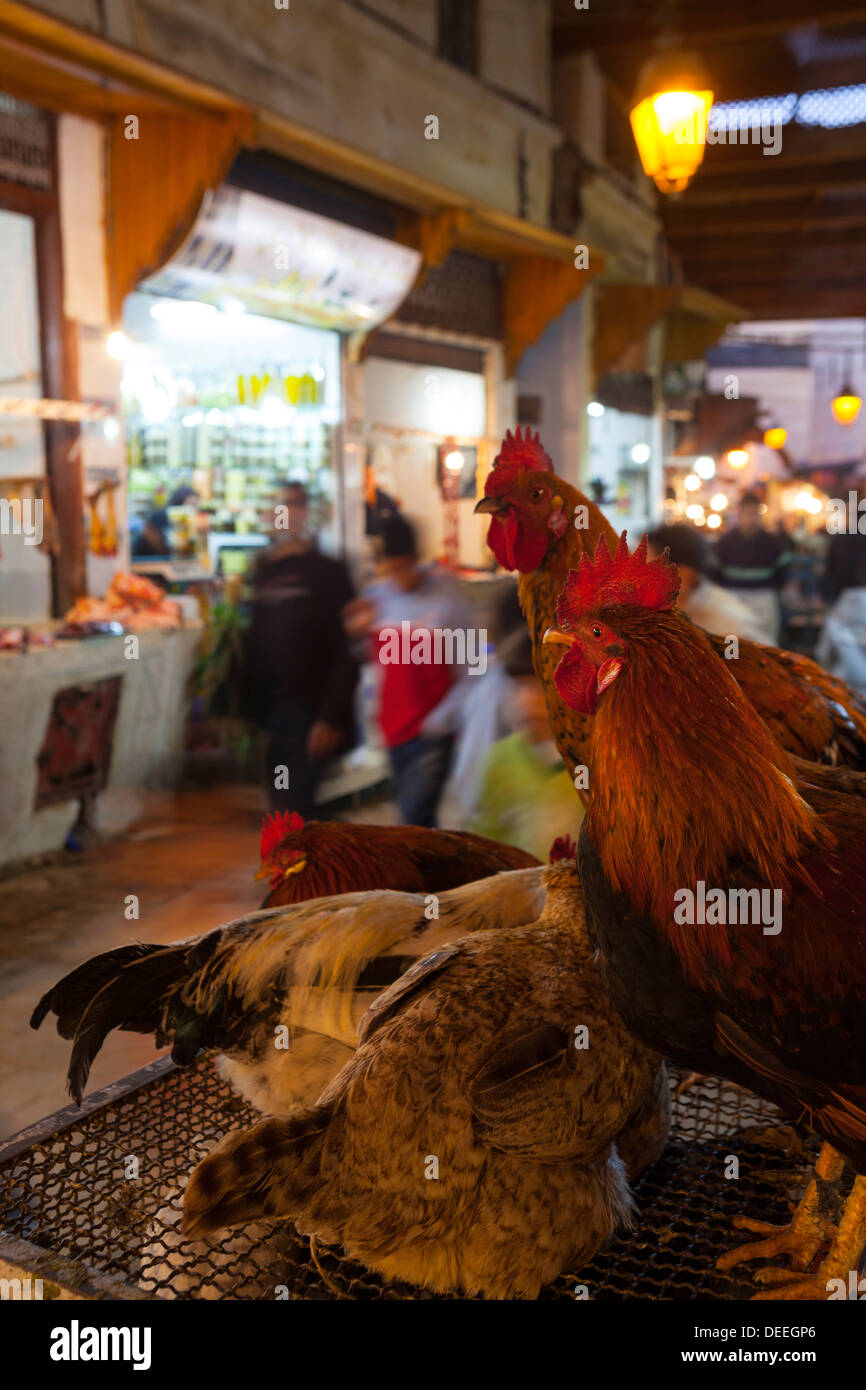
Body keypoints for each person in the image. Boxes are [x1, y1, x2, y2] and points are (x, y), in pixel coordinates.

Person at [344, 515, 471, 827]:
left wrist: (446, 717)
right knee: (417, 821)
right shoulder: (377, 598)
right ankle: (435, 874)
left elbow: (473, 665)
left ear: (417, 559)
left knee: (413, 819)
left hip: (433, 729)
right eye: (392, 569)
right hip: (393, 728)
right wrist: (355, 633)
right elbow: (362, 658)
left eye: (405, 566)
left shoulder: (449, 596)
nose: (399, 577)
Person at [245, 480, 358, 818]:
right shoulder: (264, 570)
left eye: (291, 505)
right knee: (282, 805)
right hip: (273, 715)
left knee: (297, 809)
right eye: (275, 506)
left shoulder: (329, 572)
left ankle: (310, 869)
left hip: (310, 715)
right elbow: (256, 639)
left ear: (304, 512)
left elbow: (348, 648)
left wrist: (331, 717)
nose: (282, 514)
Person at [469, 628, 579, 862]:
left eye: (540, 686)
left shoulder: (597, 761)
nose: (526, 701)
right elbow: (483, 845)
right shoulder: (500, 761)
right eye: (518, 686)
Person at [647, 523, 773, 644]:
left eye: (648, 571)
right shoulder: (671, 613)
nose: (638, 583)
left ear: (683, 575)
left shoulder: (727, 626)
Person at [710, 493, 791, 644]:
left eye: (755, 514)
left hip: (764, 598)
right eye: (748, 513)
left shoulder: (772, 542)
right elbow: (713, 572)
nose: (752, 519)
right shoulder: (725, 542)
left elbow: (783, 570)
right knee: (732, 648)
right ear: (739, 514)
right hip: (732, 598)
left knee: (766, 647)